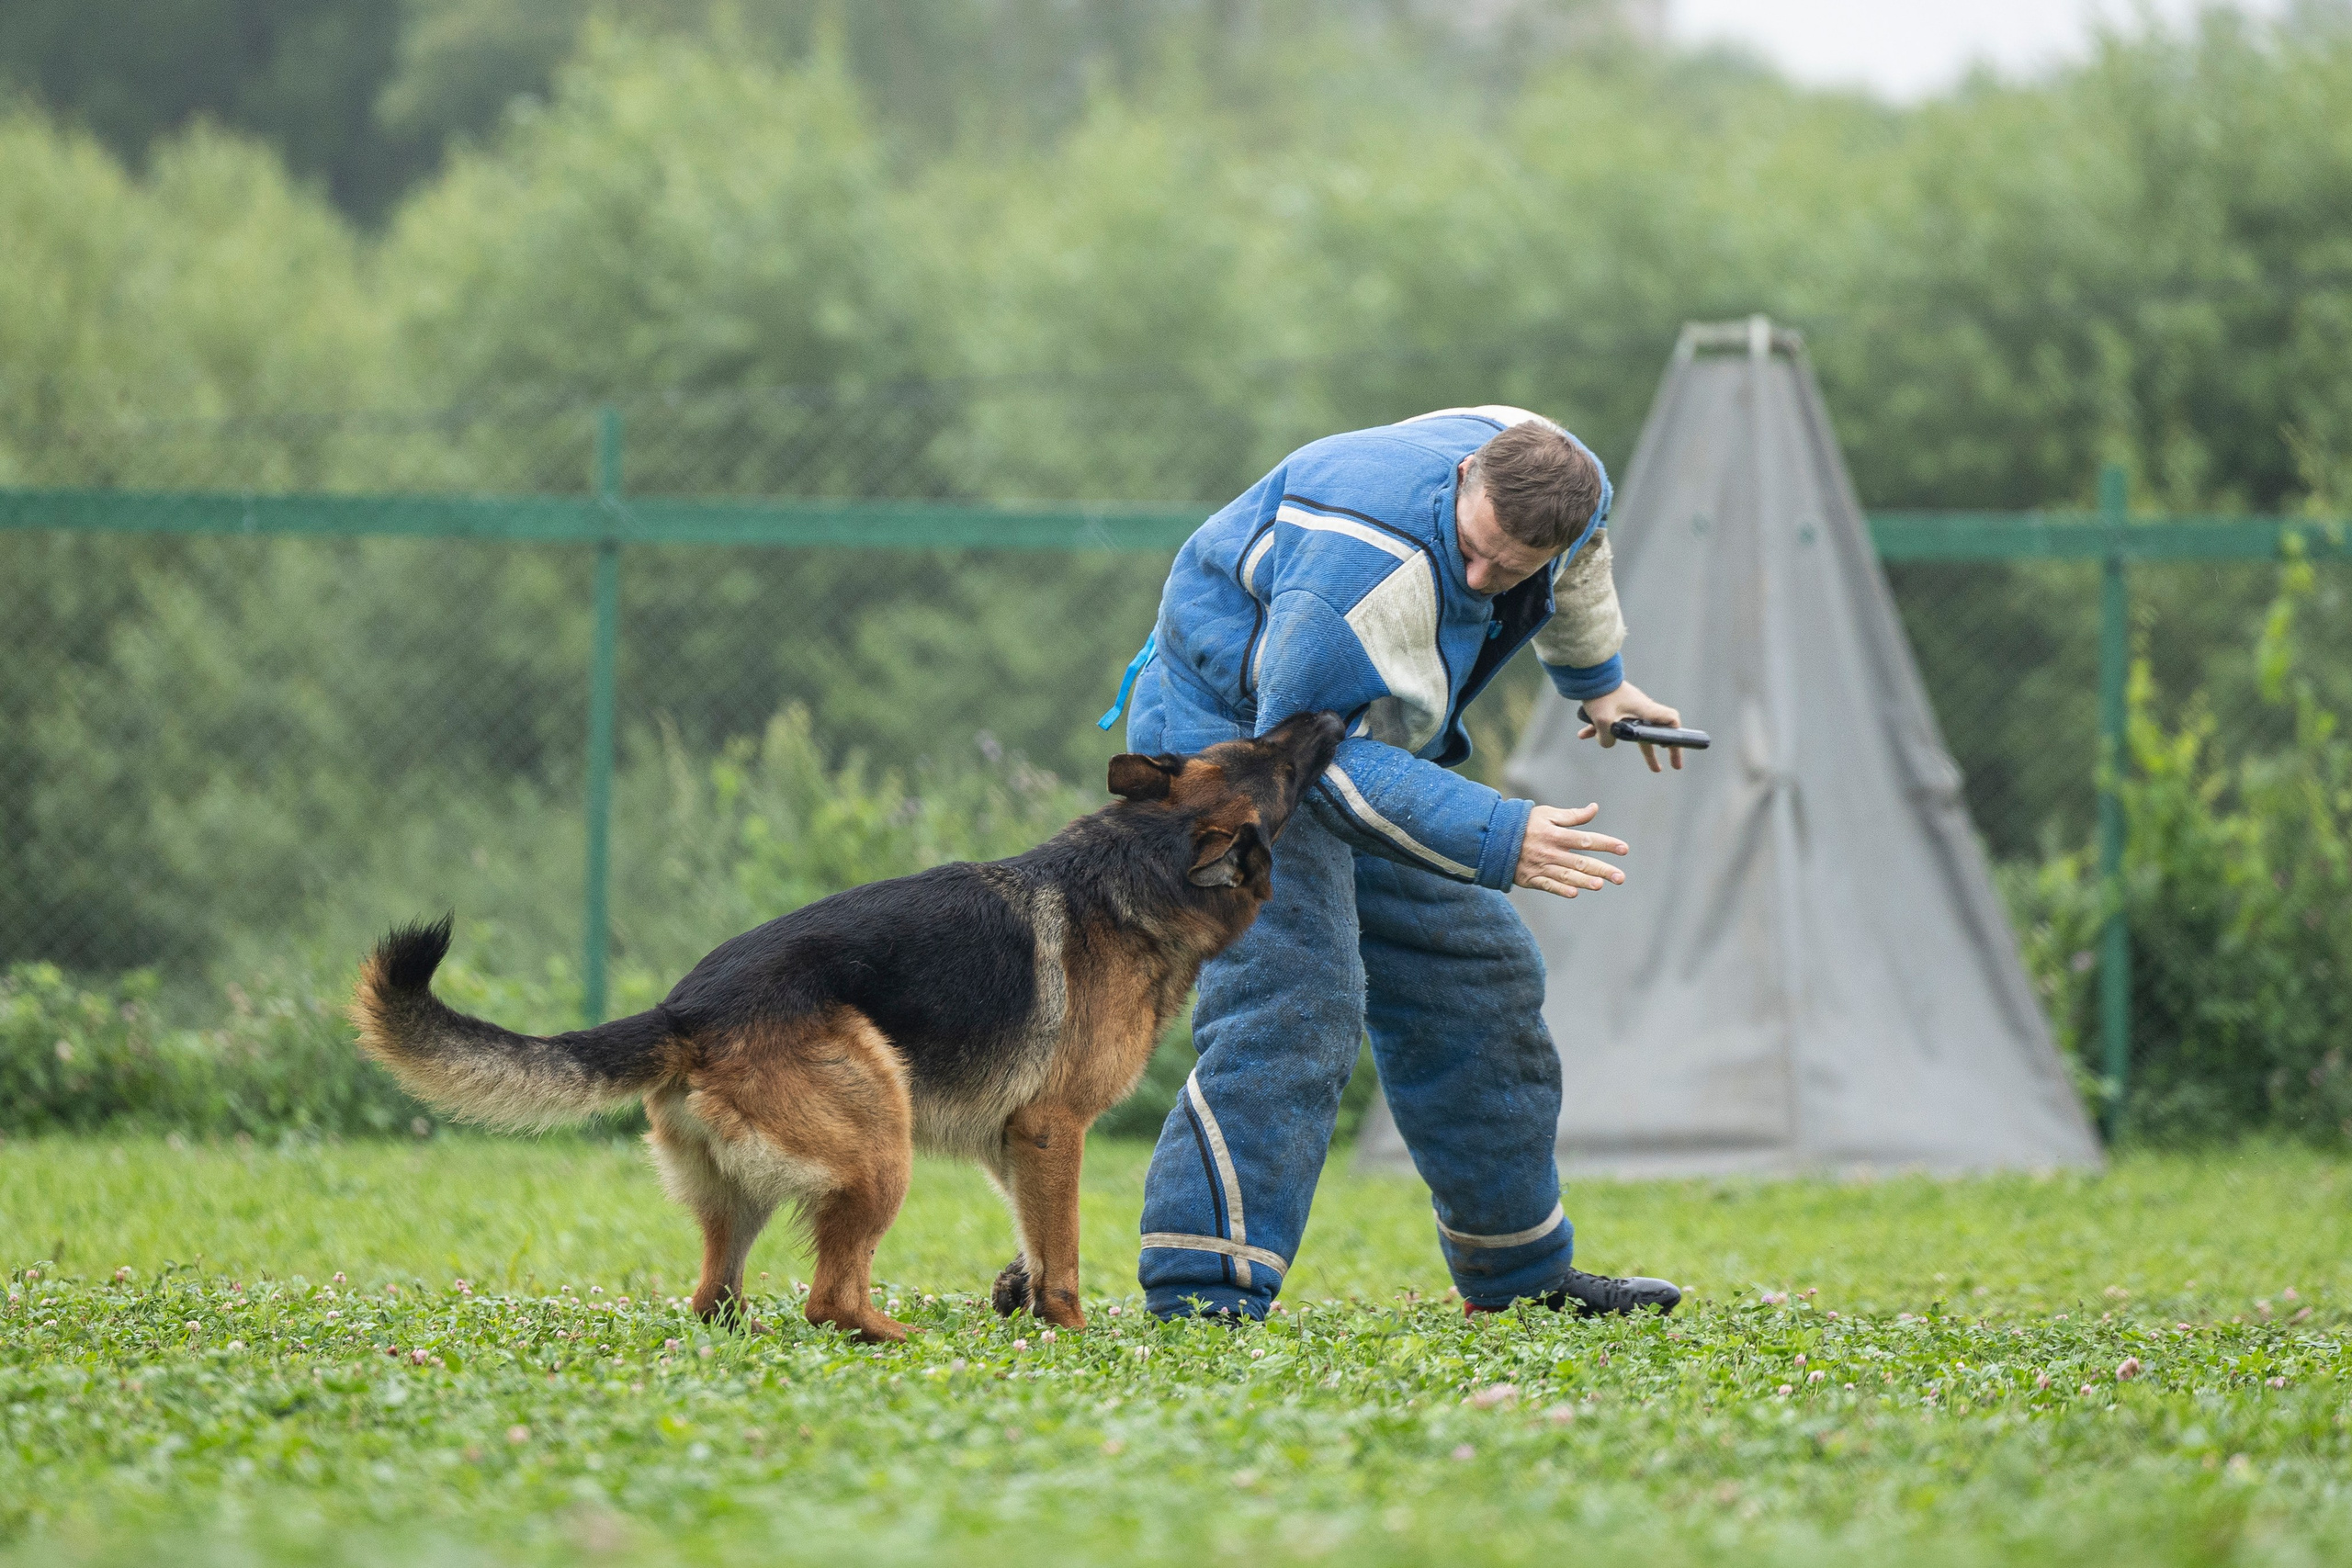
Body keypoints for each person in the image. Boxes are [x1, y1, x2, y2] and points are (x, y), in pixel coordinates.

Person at [1107, 405, 1686, 1321]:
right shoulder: (1362, 576)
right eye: (1478, 548)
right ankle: (1201, 1293)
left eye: (1514, 568)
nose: (1482, 578)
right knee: (1296, 999)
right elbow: (1304, 760)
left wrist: (1600, 683)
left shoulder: (1565, 494)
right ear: (1465, 479)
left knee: (1481, 973)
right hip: (1230, 750)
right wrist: (1498, 834)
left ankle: (1519, 1278)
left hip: (1345, 732)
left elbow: (1578, 570)